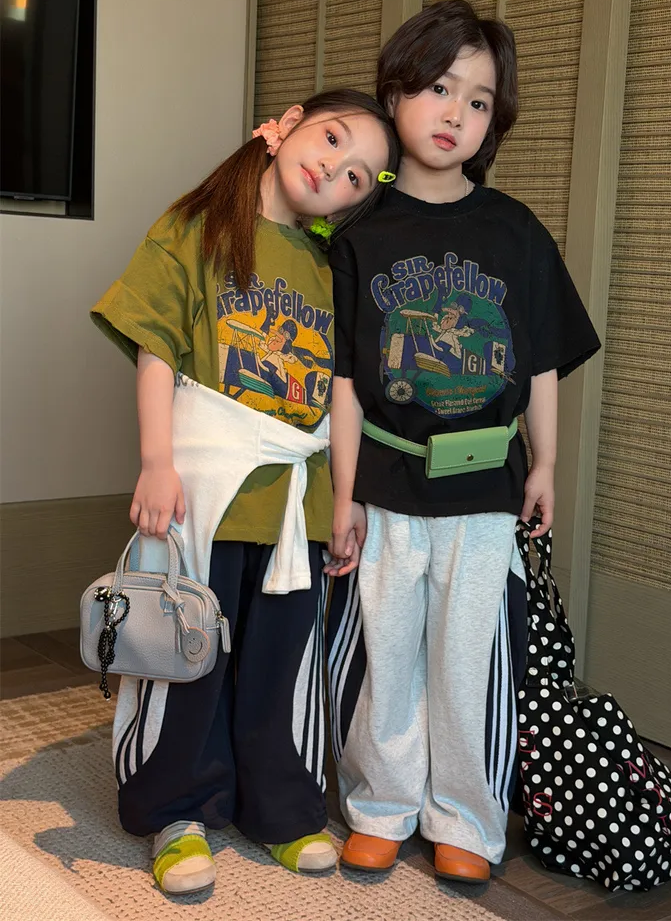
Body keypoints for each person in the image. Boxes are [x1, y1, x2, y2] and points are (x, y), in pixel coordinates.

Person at [91, 88, 400, 895]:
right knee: (184, 653)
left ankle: (282, 809)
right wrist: (155, 461)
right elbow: (156, 345)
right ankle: (177, 812)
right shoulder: (197, 226)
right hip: (204, 487)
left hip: (296, 499)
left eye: (358, 176)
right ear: (286, 124)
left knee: (280, 663)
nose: (335, 169)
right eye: (331, 139)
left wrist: (344, 498)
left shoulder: (332, 267)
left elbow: (342, 393)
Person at [325, 0, 601, 885]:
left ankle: (467, 822)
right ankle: (380, 804)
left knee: (470, 659)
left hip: (485, 492)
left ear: (494, 123)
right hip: (385, 483)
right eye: (440, 88)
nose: (456, 114)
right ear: (396, 92)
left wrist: (546, 463)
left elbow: (543, 361)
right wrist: (342, 495)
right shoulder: (357, 232)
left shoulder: (515, 231)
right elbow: (340, 379)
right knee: (386, 650)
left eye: (479, 102)